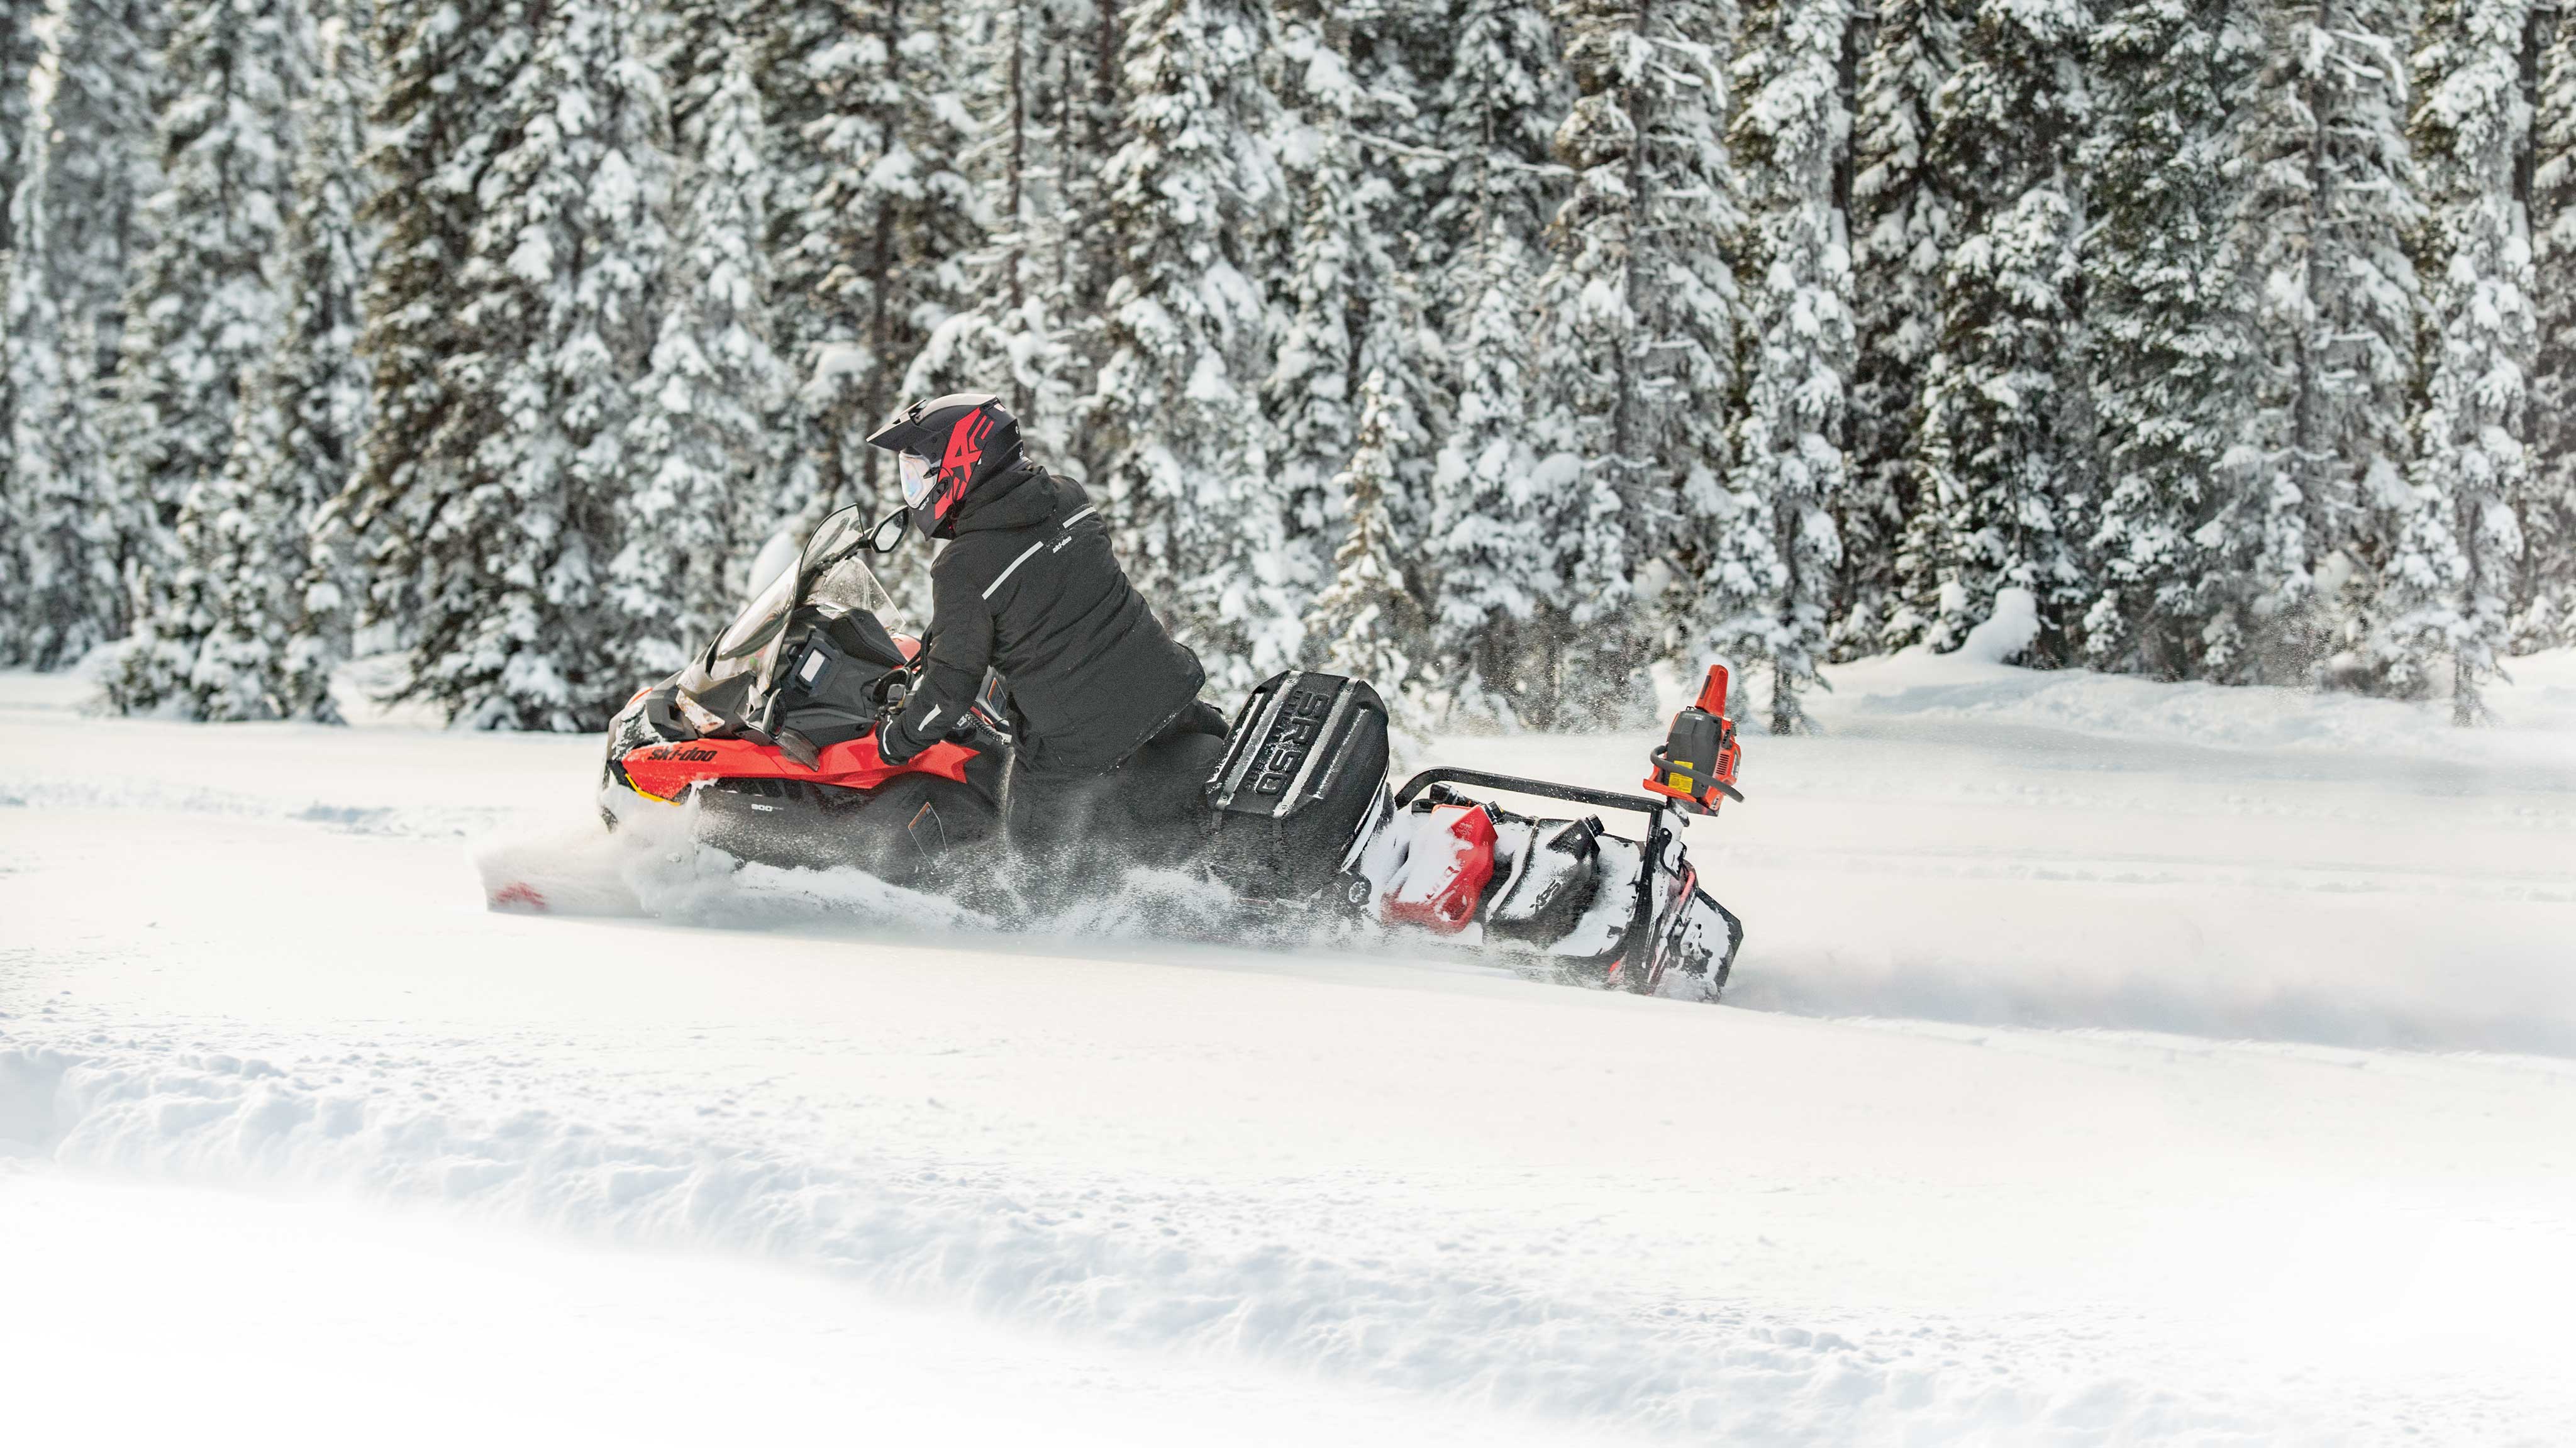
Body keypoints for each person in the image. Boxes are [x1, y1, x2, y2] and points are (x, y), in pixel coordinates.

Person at [863, 393, 1225, 879]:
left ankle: (1060, 943)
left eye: (917, 473)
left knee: (1030, 871)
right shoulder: (1068, 498)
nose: (915, 490)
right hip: (1167, 690)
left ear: (961, 462)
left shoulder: (963, 567)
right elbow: (1047, 593)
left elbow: (950, 693)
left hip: (1078, 746)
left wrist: (894, 740)